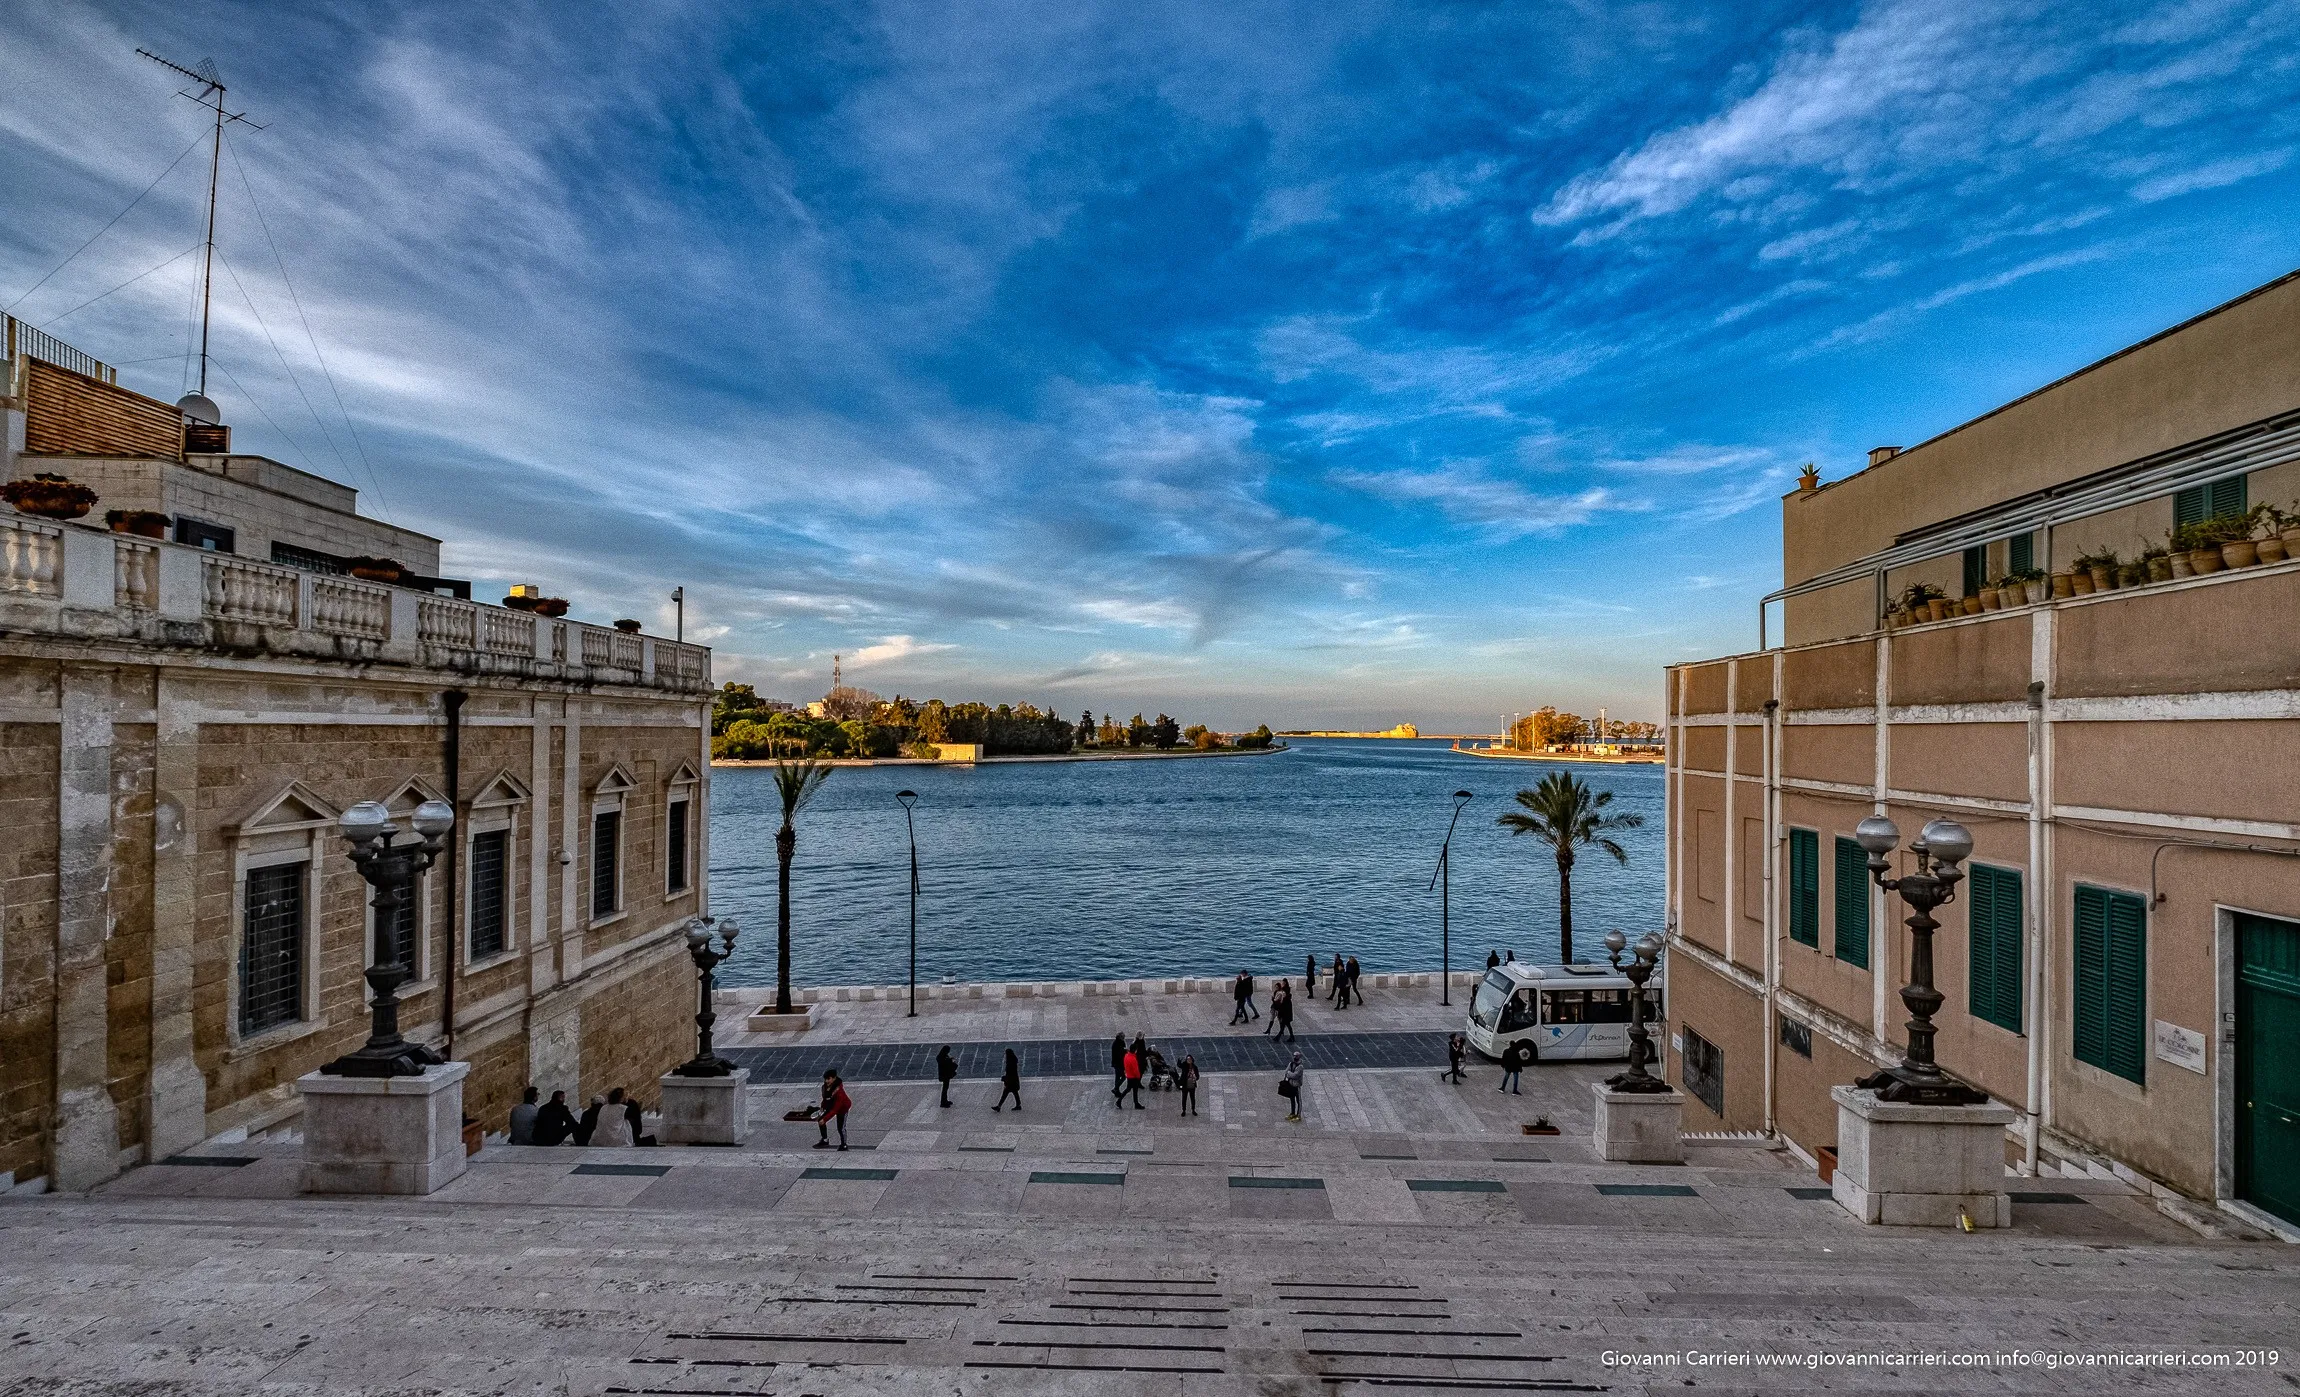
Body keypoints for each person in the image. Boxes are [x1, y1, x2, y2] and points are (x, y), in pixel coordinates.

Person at [816, 1070, 852, 1150]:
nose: (826, 1081)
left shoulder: (839, 1092)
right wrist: (822, 1107)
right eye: (825, 1079)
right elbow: (825, 1098)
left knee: (841, 1128)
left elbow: (835, 1109)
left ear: (834, 1078)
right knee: (820, 1120)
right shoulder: (825, 1087)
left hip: (842, 1108)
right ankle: (825, 1140)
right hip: (831, 1105)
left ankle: (844, 1145)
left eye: (828, 1079)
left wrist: (825, 1119)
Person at [994, 1048, 1022, 1112]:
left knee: (1005, 1094)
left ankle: (999, 1106)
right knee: (1015, 1093)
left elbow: (1009, 1073)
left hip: (1011, 1081)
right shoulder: (1013, 1061)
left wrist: (1005, 1080)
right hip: (1014, 1080)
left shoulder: (1010, 1063)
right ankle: (1018, 1105)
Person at [1279, 1052, 1305, 1122]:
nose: (1294, 1057)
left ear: (1298, 1057)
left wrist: (1289, 1074)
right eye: (1294, 1056)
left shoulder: (1300, 1066)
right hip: (1291, 1084)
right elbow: (1286, 1071)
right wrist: (1290, 1074)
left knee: (1298, 1100)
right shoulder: (1291, 1063)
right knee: (1292, 1099)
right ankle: (1293, 1113)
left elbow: (1295, 1075)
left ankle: (1298, 1115)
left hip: (1297, 1086)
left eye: (1296, 1056)